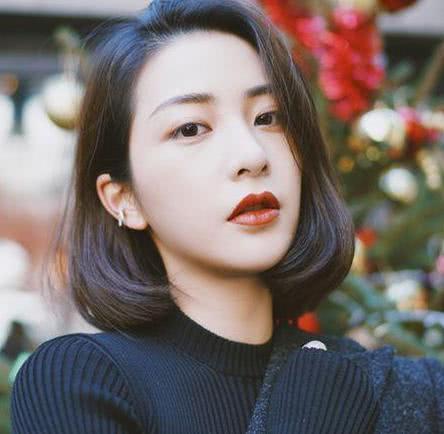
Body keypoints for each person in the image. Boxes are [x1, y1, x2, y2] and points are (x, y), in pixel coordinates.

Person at [10, 0, 444, 433]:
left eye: (268, 117)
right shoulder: (80, 379)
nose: (252, 155)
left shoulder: (399, 389)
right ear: (124, 198)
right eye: (190, 128)